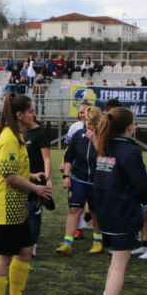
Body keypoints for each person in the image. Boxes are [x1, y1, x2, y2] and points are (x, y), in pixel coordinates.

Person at [0, 93, 52, 295]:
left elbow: (15, 170)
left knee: (25, 250)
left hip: (15, 206)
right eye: (31, 110)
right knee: (2, 256)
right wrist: (36, 189)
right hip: (3, 205)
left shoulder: (16, 135)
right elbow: (9, 176)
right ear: (19, 114)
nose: (34, 114)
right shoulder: (9, 138)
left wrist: (32, 175)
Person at [94, 107, 147, 295]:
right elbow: (141, 184)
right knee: (119, 264)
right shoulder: (129, 151)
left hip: (107, 212)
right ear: (129, 127)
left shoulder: (104, 145)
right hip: (123, 212)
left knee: (115, 261)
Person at [56, 106, 104, 255]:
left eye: (94, 124)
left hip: (97, 181)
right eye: (88, 123)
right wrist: (66, 176)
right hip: (78, 178)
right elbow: (69, 157)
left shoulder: (104, 136)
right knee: (74, 209)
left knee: (95, 211)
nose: (91, 126)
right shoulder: (78, 134)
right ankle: (67, 243)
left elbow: (105, 156)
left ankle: (98, 241)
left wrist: (95, 140)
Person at [24, 112, 52, 256]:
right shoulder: (21, 132)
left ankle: (32, 244)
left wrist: (47, 178)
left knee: (33, 212)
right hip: (22, 178)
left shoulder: (41, 132)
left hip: (37, 179)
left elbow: (46, 158)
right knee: (22, 212)